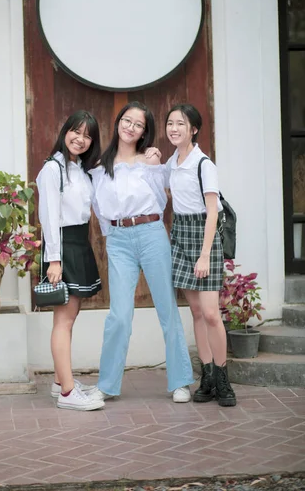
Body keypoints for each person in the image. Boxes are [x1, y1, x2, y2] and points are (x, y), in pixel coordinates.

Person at [87, 101, 194, 403]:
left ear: (144, 132)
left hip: (151, 234)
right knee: (119, 315)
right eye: (127, 120)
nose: (131, 127)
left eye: (138, 124)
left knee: (167, 309)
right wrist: (112, 237)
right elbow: (98, 208)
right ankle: (107, 384)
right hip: (119, 239)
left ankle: (181, 381)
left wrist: (154, 163)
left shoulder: (150, 162)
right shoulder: (99, 168)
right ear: (118, 122)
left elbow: (161, 199)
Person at [165, 103, 236, 407]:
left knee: (210, 313)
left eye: (181, 124)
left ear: (193, 129)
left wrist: (206, 255)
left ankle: (223, 377)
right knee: (195, 312)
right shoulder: (171, 162)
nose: (174, 128)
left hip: (204, 236)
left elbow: (211, 212)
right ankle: (206, 376)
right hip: (180, 234)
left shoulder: (203, 163)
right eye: (170, 123)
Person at [36, 110, 105, 411]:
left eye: (87, 135)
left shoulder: (80, 169)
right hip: (62, 245)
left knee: (69, 318)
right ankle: (67, 393)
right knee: (63, 320)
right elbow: (48, 216)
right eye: (76, 131)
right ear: (65, 131)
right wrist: (54, 259)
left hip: (78, 241)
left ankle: (58, 381)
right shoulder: (52, 169)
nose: (81, 138)